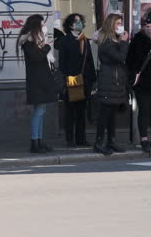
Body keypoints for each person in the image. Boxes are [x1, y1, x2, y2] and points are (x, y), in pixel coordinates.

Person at [16, 14, 58, 153]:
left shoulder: (37, 41)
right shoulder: (28, 42)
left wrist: (45, 46)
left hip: (42, 80)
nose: (44, 27)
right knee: (38, 111)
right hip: (36, 81)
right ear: (36, 26)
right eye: (42, 24)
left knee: (42, 110)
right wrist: (46, 47)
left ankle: (40, 141)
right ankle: (34, 142)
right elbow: (37, 57)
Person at [126, 11, 151, 153]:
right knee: (144, 111)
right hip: (142, 84)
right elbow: (129, 61)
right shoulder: (138, 40)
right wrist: (134, 73)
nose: (149, 29)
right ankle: (144, 140)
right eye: (147, 26)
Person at [59, 14, 96, 147]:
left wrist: (92, 80)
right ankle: (70, 139)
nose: (79, 23)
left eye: (80, 21)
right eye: (76, 21)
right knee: (71, 111)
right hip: (73, 78)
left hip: (85, 79)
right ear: (70, 25)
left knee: (81, 111)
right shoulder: (65, 40)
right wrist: (67, 78)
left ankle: (81, 138)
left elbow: (89, 60)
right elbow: (62, 63)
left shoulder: (84, 39)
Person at [94, 13, 129, 155]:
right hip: (108, 82)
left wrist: (121, 42)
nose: (120, 26)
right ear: (111, 25)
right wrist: (124, 42)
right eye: (118, 23)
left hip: (116, 82)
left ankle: (111, 140)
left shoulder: (114, 41)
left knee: (112, 113)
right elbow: (121, 57)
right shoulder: (107, 42)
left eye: (121, 23)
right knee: (105, 113)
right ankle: (99, 142)